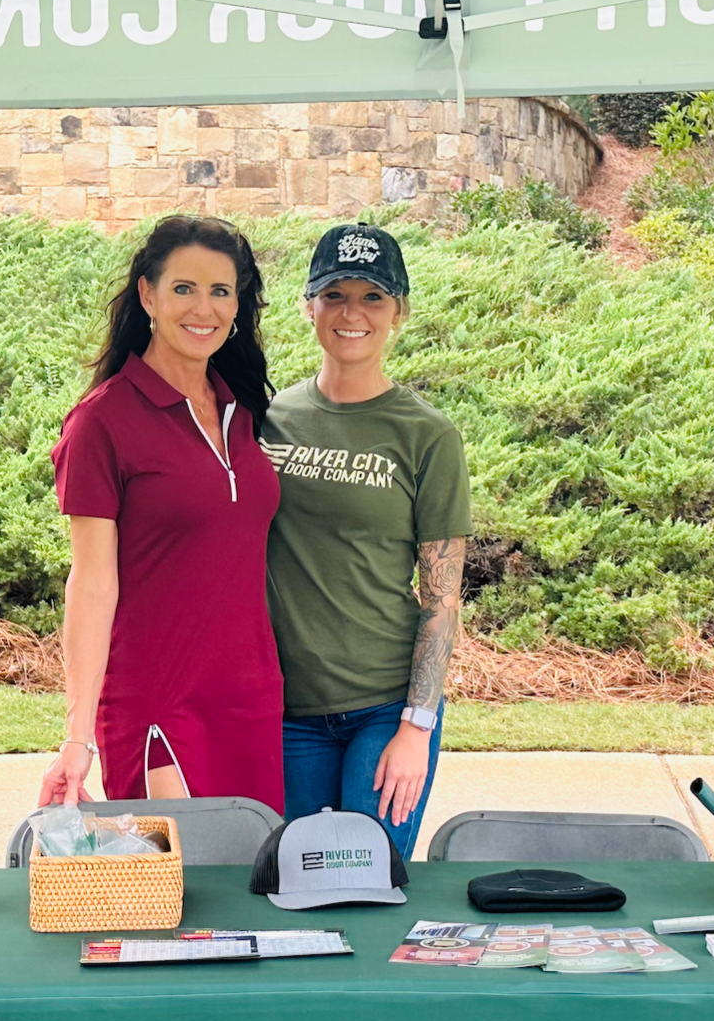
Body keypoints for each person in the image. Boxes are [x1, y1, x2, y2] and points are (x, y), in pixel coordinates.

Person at [38, 216, 284, 812]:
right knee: (180, 890)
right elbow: (92, 584)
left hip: (252, 702)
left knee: (251, 892)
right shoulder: (101, 422)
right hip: (158, 706)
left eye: (221, 291)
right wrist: (77, 737)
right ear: (147, 294)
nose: (204, 308)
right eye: (184, 288)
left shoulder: (241, 410)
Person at [263, 224, 472, 859]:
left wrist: (417, 725)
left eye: (373, 297)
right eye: (335, 295)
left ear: (399, 313)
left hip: (384, 709)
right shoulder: (265, 419)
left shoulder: (427, 436)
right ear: (308, 306)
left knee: (366, 881)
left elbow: (441, 601)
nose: (352, 313)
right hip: (282, 709)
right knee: (294, 882)